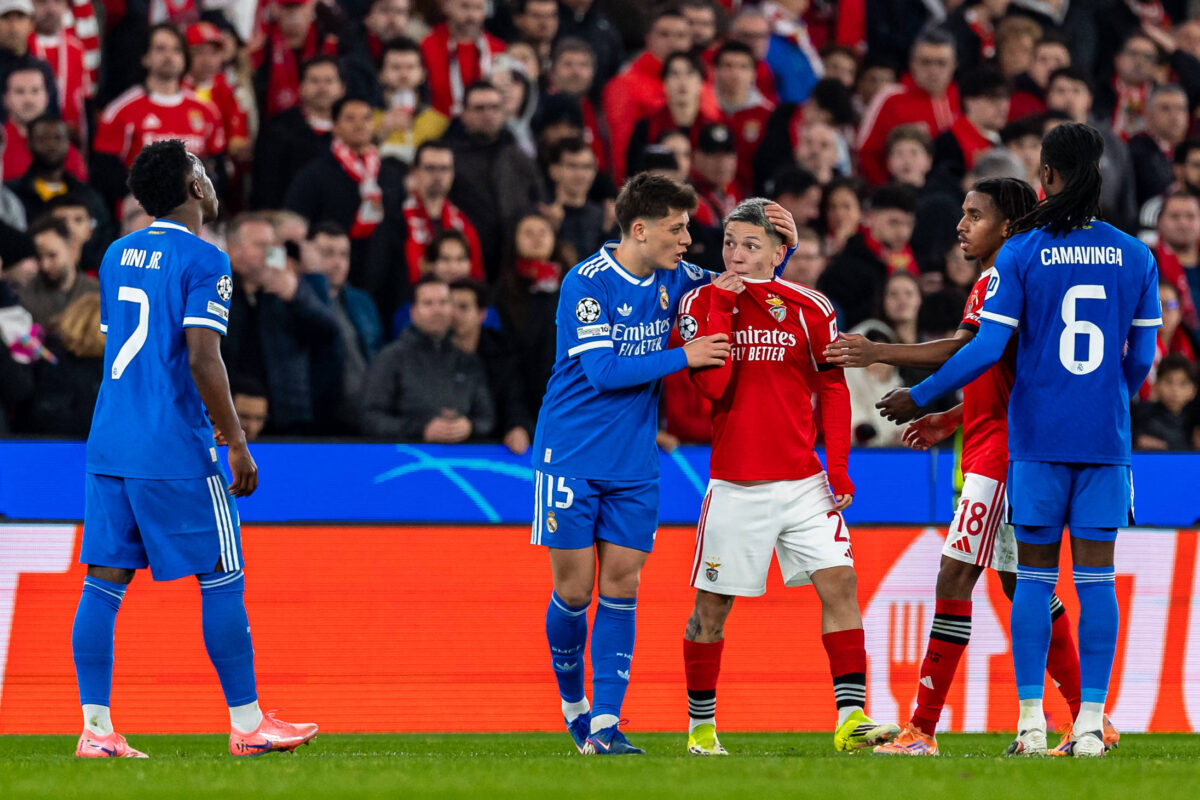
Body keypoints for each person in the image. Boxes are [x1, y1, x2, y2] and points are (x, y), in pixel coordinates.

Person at [876, 123, 1161, 758]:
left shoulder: (1023, 253)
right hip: (1104, 440)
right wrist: (1106, 400)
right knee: (1096, 582)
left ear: (1048, 177)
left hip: (1030, 442)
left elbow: (985, 349)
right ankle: (1090, 724)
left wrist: (922, 396)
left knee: (1030, 579)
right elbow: (1143, 359)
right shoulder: (1137, 255)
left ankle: (1029, 724)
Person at [829, 178, 1114, 755]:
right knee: (1020, 583)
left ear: (1007, 226)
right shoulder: (1013, 278)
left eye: (975, 215)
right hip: (996, 446)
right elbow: (1008, 376)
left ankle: (922, 730)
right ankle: (1089, 719)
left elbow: (966, 348)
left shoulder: (1001, 278)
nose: (961, 225)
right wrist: (954, 416)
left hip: (1000, 457)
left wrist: (881, 353)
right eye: (962, 213)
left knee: (956, 577)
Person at [531, 172, 796, 755]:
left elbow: (746, 282)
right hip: (570, 454)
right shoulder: (587, 283)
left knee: (622, 585)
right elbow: (602, 373)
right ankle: (574, 705)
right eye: (677, 229)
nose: (687, 241)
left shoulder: (679, 278)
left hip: (634, 462)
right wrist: (686, 354)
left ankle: (605, 724)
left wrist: (783, 247)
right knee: (574, 592)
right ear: (640, 229)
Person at [72, 140, 317, 759]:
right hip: (173, 444)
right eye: (200, 169)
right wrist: (236, 441)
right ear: (192, 189)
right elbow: (203, 358)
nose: (208, 177)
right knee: (223, 574)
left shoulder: (116, 254)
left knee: (102, 583)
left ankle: (96, 731)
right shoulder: (207, 259)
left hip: (110, 439)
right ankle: (249, 725)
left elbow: (122, 348)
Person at [677, 197, 898, 756]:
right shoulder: (700, 302)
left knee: (840, 584)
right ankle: (701, 728)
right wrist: (724, 306)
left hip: (803, 481)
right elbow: (712, 387)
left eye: (751, 245)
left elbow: (833, 389)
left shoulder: (810, 306)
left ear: (779, 252)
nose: (736, 254)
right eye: (730, 243)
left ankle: (851, 719)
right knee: (711, 609)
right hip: (736, 484)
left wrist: (839, 467)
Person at [91, 24, 225, 211]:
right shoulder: (120, 110)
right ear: (145, 57)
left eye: (176, 50)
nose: (169, 56)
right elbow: (106, 172)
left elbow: (216, 167)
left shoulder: (206, 110)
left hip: (193, 212)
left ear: (184, 58)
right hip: (142, 212)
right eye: (160, 49)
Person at [284, 96, 405, 284]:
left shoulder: (390, 174)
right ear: (335, 126)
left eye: (366, 118)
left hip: (381, 275)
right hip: (327, 275)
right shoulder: (314, 174)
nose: (360, 125)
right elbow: (295, 223)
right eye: (350, 118)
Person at [362, 273, 494, 440]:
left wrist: (470, 426)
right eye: (428, 303)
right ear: (413, 312)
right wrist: (421, 430)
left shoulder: (467, 361)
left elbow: (487, 418)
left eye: (443, 302)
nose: (437, 310)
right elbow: (370, 418)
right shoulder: (391, 358)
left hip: (460, 455)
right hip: (407, 455)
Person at [366, 140, 483, 321]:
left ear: (452, 173)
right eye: (430, 168)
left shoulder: (465, 225)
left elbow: (477, 280)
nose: (438, 176)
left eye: (444, 169)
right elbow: (378, 282)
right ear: (415, 172)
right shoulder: (393, 222)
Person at [445, 80, 544, 278]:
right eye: (479, 108)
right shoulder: (449, 159)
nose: (488, 114)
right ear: (464, 114)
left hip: (515, 265)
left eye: (494, 107)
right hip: (467, 260)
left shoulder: (520, 157)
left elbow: (539, 203)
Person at [857, 29, 960, 186]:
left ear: (954, 65)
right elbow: (866, 153)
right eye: (926, 62)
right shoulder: (891, 97)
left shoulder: (961, 98)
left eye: (941, 63)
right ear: (912, 64)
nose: (933, 70)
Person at [307, 221, 381, 433]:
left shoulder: (363, 302)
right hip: (320, 417)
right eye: (327, 253)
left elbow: (377, 353)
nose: (337, 263)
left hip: (363, 414)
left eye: (343, 255)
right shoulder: (299, 299)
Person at [7, 117, 111, 263]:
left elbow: (103, 242)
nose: (51, 144)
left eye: (58, 138)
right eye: (43, 139)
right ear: (29, 144)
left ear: (68, 143)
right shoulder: (12, 195)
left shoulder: (88, 195)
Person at [449, 277, 534, 454]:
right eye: (449, 306)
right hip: (439, 445)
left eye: (463, 307)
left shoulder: (502, 353)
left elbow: (514, 397)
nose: (454, 314)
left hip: (491, 445)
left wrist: (517, 426)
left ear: (482, 314)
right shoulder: (430, 352)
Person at [251, 55, 344, 211]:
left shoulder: (355, 128)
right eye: (314, 81)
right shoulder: (277, 130)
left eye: (329, 81)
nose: (322, 88)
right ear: (300, 87)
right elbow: (266, 185)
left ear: (342, 88)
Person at [819, 184, 918, 330]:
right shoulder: (845, 266)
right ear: (872, 217)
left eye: (908, 224)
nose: (903, 232)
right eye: (894, 222)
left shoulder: (912, 262)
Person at [420, 0, 506, 117]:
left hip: (486, 123)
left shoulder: (499, 49)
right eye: (465, 6)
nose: (472, 15)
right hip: (438, 124)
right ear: (446, 6)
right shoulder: (426, 46)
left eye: (478, 8)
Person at [3, 64, 86, 181]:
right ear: (6, 98)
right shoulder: (2, 145)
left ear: (46, 97)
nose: (28, 99)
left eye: (35, 91)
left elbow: (81, 190)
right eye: (20, 91)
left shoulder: (67, 152)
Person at [374, 37, 449, 164]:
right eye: (395, 67)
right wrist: (378, 136)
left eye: (410, 67)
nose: (404, 74)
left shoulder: (440, 122)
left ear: (423, 73)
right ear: (381, 74)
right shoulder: (366, 119)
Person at [14, 213, 94, 327]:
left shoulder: (98, 295)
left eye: (52, 255)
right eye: (38, 257)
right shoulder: (23, 300)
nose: (44, 265)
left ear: (72, 250)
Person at [1133, 354, 1196, 450]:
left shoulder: (1194, 424)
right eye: (1168, 382)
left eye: (1183, 384)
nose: (1175, 390)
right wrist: (1136, 441)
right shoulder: (1140, 414)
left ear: (1194, 390)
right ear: (1156, 384)